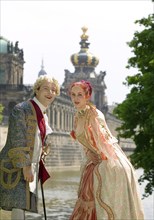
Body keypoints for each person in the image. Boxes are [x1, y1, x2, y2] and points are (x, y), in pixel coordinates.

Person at [69, 80, 144, 220]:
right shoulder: (79, 115)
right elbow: (87, 142)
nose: (76, 98)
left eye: (80, 94)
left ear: (87, 95)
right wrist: (89, 152)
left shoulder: (94, 114)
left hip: (108, 164)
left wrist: (96, 154)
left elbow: (105, 142)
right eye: (73, 95)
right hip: (93, 163)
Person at [0, 75, 60, 220]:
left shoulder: (42, 115)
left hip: (29, 166)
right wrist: (26, 166)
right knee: (18, 205)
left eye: (53, 90)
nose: (50, 93)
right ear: (37, 90)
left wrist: (42, 153)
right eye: (46, 88)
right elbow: (17, 139)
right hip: (15, 167)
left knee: (21, 205)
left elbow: (38, 140)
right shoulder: (22, 109)